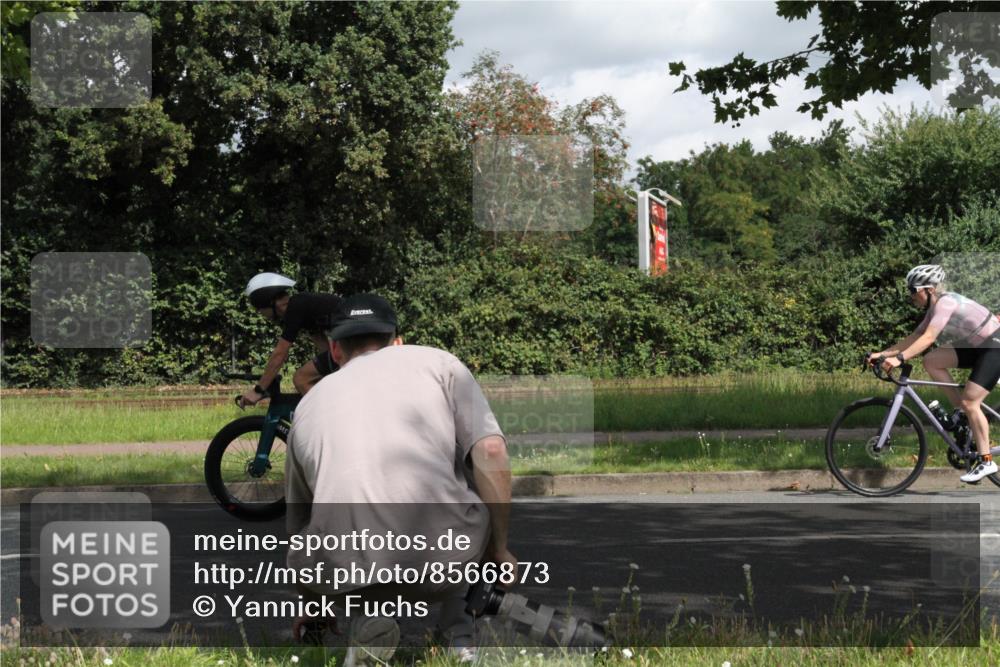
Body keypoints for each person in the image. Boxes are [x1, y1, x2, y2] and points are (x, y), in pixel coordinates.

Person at [284, 293, 515, 663]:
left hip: (346, 575)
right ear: (397, 341)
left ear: (335, 350)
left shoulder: (309, 404)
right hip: (443, 563)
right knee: (475, 487)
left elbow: (300, 520)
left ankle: (369, 622)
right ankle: (458, 638)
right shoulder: (439, 363)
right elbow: (490, 452)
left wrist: (316, 603)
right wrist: (499, 549)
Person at [872, 264, 1000, 483]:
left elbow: (929, 338)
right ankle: (961, 415)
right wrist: (882, 354)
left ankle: (987, 461)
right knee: (932, 360)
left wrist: (899, 359)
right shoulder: (935, 307)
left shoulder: (946, 303)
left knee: (972, 402)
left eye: (914, 291)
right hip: (978, 346)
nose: (911, 296)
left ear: (929, 290)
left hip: (995, 347)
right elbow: (915, 336)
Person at [241, 272, 343, 404]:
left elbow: (280, 354)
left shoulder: (295, 308)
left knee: (301, 378)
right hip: (353, 344)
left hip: (351, 345)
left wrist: (259, 390)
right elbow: (324, 349)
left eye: (259, 309)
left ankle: (328, 419)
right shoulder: (304, 306)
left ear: (270, 302)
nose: (261, 314)